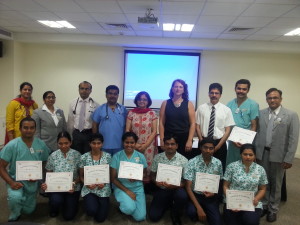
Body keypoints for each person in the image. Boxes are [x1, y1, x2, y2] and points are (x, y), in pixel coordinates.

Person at [255, 88, 299, 222]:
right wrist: (256, 153)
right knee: (264, 181)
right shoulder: (261, 113)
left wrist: (289, 158)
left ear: (281, 99)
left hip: (280, 156)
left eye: (275, 97)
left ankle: (273, 209)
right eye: (269, 98)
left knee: (276, 183)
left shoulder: (291, 115)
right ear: (266, 99)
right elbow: (256, 134)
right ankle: (264, 205)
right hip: (262, 154)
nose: (272, 100)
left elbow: (293, 138)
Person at [0, 117, 50, 222]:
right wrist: (11, 182)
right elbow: (1, 166)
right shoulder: (12, 145)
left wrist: (38, 176)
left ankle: (25, 203)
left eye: (32, 128)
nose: (28, 130)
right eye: (25, 128)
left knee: (28, 211)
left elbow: (45, 162)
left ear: (35, 129)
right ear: (20, 128)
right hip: (15, 180)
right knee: (15, 198)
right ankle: (14, 213)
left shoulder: (41, 144)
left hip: (33, 182)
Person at [223, 143, 268, 225]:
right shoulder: (232, 167)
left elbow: (263, 189)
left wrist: (257, 199)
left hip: (251, 202)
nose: (248, 157)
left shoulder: (260, 169)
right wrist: (231, 200)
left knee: (251, 222)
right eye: (245, 154)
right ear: (241, 155)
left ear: (254, 156)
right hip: (233, 201)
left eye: (251, 155)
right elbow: (225, 186)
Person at [41, 131, 81, 220]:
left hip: (72, 188)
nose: (63, 146)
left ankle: (69, 204)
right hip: (56, 187)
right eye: (60, 143)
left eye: (66, 143)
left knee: (68, 216)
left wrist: (74, 183)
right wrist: (46, 184)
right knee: (56, 201)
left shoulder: (77, 155)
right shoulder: (53, 156)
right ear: (57, 143)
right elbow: (49, 173)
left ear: (71, 142)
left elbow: (82, 175)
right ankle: (55, 207)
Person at [149, 134, 188, 225]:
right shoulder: (157, 158)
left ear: (177, 146)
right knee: (154, 217)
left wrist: (175, 185)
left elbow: (186, 181)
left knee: (182, 196)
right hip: (162, 188)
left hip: (177, 189)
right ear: (164, 145)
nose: (170, 146)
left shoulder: (184, 160)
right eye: (167, 144)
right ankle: (167, 203)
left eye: (172, 144)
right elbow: (152, 175)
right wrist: (156, 182)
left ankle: (175, 214)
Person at [195, 83, 235, 172]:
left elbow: (228, 130)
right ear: (209, 94)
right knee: (200, 168)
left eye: (216, 93)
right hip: (203, 141)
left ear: (220, 95)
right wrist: (202, 142)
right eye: (212, 93)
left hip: (219, 143)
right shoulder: (201, 108)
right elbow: (197, 126)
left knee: (218, 170)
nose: (214, 95)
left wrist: (218, 146)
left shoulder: (226, 110)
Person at [184, 138, 223, 225]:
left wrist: (213, 193)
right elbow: (188, 187)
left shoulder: (218, 163)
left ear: (214, 149)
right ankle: (199, 208)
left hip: (211, 196)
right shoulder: (192, 162)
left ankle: (207, 209)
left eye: (211, 148)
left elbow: (219, 182)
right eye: (205, 147)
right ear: (200, 148)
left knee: (217, 222)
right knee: (191, 213)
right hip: (196, 195)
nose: (208, 150)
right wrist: (199, 208)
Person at [110, 132, 147, 221]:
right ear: (123, 143)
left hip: (137, 188)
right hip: (122, 187)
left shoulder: (141, 156)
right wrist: (127, 191)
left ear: (135, 143)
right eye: (127, 142)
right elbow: (113, 179)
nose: (129, 145)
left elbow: (145, 173)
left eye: (132, 142)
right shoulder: (117, 156)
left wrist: (137, 177)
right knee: (129, 209)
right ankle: (125, 205)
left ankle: (129, 203)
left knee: (140, 217)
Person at [159, 79, 196, 159]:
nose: (178, 89)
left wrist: (190, 140)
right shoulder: (165, 103)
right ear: (172, 89)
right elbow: (161, 123)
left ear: (184, 90)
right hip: (169, 139)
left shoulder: (189, 104)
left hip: (184, 139)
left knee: (183, 162)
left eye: (180, 87)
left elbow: (193, 124)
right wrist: (162, 139)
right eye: (176, 86)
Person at [126, 91, 157, 183]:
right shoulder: (131, 113)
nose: (141, 101)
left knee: (147, 166)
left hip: (149, 146)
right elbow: (127, 130)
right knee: (135, 165)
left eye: (144, 99)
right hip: (133, 145)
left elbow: (154, 131)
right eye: (139, 99)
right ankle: (134, 186)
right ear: (136, 100)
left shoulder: (152, 113)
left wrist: (145, 145)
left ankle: (146, 190)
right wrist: (134, 144)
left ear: (148, 101)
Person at [79, 133, 111, 223]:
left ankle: (102, 203)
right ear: (89, 144)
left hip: (103, 187)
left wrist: (104, 183)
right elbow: (81, 176)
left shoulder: (108, 156)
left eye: (99, 143)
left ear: (102, 144)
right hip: (89, 188)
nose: (96, 146)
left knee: (100, 219)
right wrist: (87, 184)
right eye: (93, 143)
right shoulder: (83, 157)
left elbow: (109, 174)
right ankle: (91, 204)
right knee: (91, 211)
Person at [226, 79, 259, 166]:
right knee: (231, 164)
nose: (241, 91)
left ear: (248, 90)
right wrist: (231, 139)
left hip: (245, 142)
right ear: (235, 89)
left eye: (244, 89)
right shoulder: (230, 104)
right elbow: (227, 125)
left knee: (244, 165)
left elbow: (254, 125)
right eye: (239, 88)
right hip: (232, 141)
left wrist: (247, 142)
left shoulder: (253, 105)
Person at [92, 85, 127, 155]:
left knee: (117, 165)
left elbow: (127, 126)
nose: (112, 96)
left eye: (115, 94)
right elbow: (94, 125)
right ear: (106, 95)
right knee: (105, 165)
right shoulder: (100, 109)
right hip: (104, 144)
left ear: (117, 95)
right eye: (110, 93)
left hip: (119, 144)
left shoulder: (123, 109)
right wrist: (96, 141)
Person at [67, 81, 99, 154]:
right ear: (79, 90)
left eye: (87, 89)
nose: (84, 91)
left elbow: (96, 123)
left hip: (89, 133)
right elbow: (70, 121)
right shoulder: (72, 103)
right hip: (76, 133)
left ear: (90, 91)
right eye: (82, 88)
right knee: (76, 155)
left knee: (88, 155)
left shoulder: (96, 105)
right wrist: (70, 136)